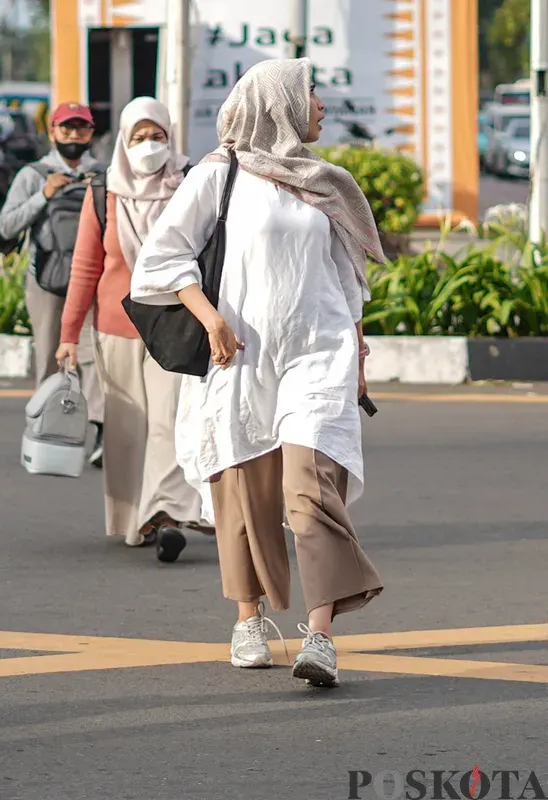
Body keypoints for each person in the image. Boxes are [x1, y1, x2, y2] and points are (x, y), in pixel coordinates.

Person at [129, 58, 384, 687]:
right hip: (240, 353)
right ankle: (248, 617)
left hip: (317, 352)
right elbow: (161, 260)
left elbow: (346, 276)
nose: (321, 104)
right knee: (243, 487)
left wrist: (356, 345)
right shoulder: (221, 174)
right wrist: (210, 318)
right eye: (311, 93)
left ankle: (320, 635)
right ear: (277, 103)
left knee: (308, 486)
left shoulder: (325, 182)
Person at [56, 97, 207, 561]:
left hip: (175, 322)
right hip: (116, 326)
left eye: (157, 136)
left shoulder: (191, 183)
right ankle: (131, 519)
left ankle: (164, 514)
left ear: (171, 136)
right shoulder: (105, 192)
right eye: (139, 138)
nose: (148, 146)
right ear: (123, 141)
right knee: (125, 429)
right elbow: (85, 266)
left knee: (168, 422)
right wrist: (67, 335)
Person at [0, 102, 105, 464]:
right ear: (52, 132)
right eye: (67, 128)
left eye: (82, 128)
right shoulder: (32, 174)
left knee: (92, 359)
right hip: (45, 281)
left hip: (93, 281)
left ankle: (96, 433)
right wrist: (43, 196)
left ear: (92, 133)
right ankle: (44, 435)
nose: (74, 135)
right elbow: (6, 225)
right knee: (47, 357)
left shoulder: (103, 174)